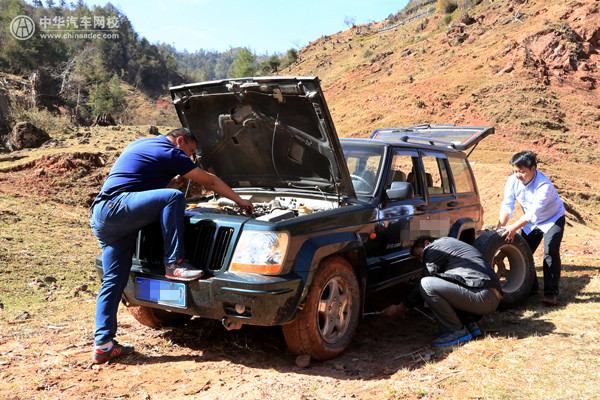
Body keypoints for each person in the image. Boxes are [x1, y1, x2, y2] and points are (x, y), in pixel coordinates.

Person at [89, 127, 253, 363]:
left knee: (113, 281)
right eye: (190, 151)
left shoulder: (140, 144)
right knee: (173, 197)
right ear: (180, 141)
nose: (190, 158)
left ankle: (103, 344)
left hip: (102, 215)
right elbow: (210, 180)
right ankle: (174, 264)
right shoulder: (169, 151)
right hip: (118, 207)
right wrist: (240, 200)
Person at [386, 236, 502, 347]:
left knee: (426, 284)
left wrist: (401, 307)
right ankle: (469, 324)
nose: (422, 260)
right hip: (489, 296)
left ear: (427, 243)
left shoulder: (433, 248)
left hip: (482, 296)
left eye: (420, 255)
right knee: (445, 283)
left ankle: (455, 331)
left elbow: (425, 281)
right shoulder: (449, 245)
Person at [496, 151, 565, 306]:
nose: (518, 175)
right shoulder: (512, 181)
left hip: (552, 219)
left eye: (522, 171)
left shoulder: (543, 185)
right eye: (515, 171)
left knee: (550, 252)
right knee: (523, 252)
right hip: (531, 222)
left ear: (533, 169)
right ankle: (531, 288)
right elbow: (507, 205)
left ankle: (551, 293)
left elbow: (534, 213)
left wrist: (513, 228)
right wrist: (500, 227)